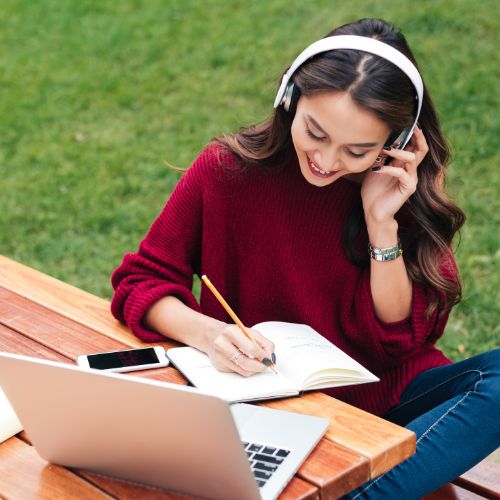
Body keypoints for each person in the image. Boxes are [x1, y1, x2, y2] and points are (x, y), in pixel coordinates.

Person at [110, 17, 499, 499]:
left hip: (383, 404)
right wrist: (210, 335)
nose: (328, 160)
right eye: (315, 132)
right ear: (288, 98)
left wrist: (382, 222)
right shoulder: (225, 172)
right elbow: (142, 281)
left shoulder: (399, 195)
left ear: (395, 145)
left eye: (358, 150)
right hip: (267, 407)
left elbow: (399, 339)